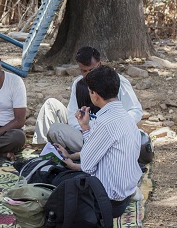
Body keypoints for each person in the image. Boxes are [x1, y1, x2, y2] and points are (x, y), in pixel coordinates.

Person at [55, 66, 142, 218]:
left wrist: (72, 164)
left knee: (59, 178)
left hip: (107, 202)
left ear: (94, 94)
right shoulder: (126, 116)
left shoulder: (104, 122)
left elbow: (88, 166)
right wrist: (86, 127)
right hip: (124, 196)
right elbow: (97, 152)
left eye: (90, 91)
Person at [34, 46, 142, 152]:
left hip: (108, 134)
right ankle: (43, 149)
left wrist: (112, 125)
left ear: (99, 64)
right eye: (84, 71)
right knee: (50, 104)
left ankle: (83, 149)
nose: (88, 75)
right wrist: (84, 127)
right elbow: (72, 114)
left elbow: (135, 111)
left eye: (91, 70)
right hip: (84, 129)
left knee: (56, 130)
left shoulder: (117, 81)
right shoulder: (79, 83)